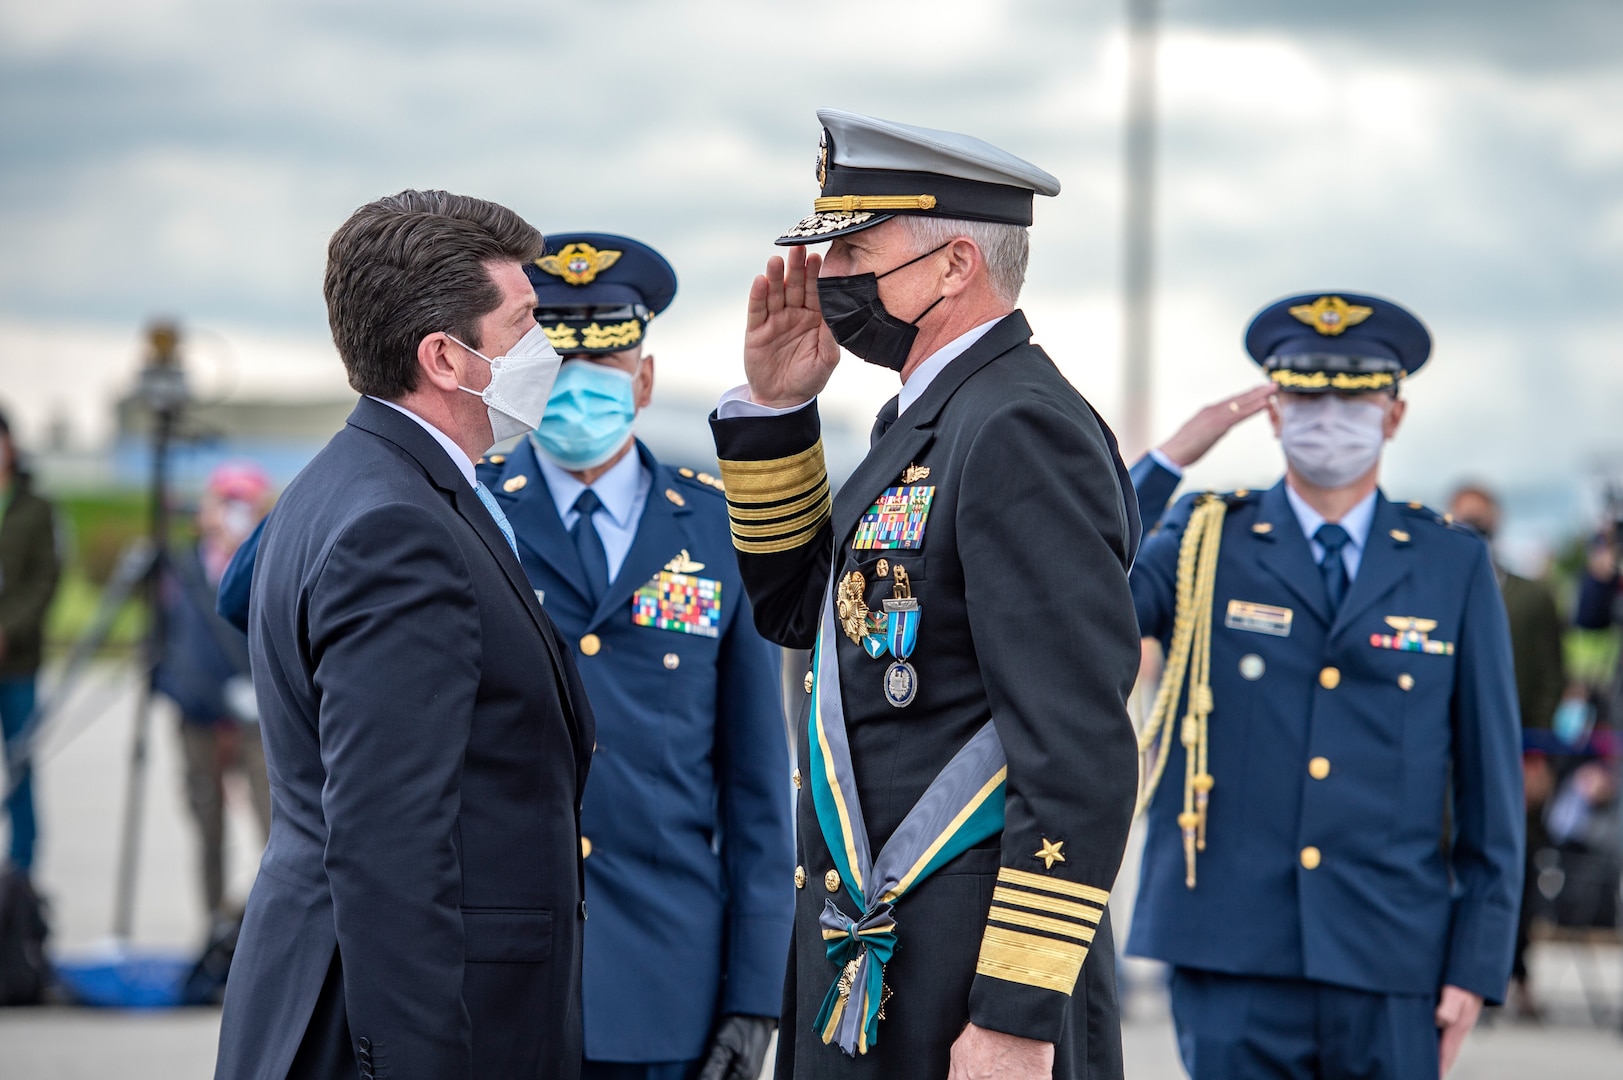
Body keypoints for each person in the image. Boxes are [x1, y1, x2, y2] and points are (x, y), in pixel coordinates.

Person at [708, 109, 1142, 1080]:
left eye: (857, 248)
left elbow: (1077, 752)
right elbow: (807, 617)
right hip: (874, 953)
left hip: (963, 974)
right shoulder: (931, 420)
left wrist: (1018, 1015)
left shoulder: (1019, 426)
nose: (828, 277)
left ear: (955, 265)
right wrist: (781, 412)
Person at [214, 190, 594, 1080]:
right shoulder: (399, 526)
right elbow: (391, 843)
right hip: (410, 1022)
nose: (547, 350)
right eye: (525, 323)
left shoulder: (354, 481)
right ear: (445, 358)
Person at [1126, 293, 1524, 1079]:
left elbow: (1490, 787)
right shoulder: (1204, 538)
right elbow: (1077, 590)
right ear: (1272, 413)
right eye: (1305, 395)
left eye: (1355, 398)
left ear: (1394, 414)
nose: (1327, 416)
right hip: (1230, 956)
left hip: (1390, 961)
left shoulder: (1451, 564)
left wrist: (1475, 964)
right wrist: (1164, 464)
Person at [478, 232, 793, 1080]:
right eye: (557, 369)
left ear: (644, 381)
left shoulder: (721, 533)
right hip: (506, 984)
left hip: (671, 988)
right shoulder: (468, 515)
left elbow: (758, 795)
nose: (580, 394)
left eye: (607, 369)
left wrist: (757, 994)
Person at [1446, 483, 1565, 1015]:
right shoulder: (1433, 586)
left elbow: (1550, 677)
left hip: (1514, 753)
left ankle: (1511, 972)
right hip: (1443, 757)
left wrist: (1538, 755)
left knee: (1512, 863)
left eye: (1483, 520)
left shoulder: (1532, 595)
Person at [155, 462, 275, 925]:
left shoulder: (266, 559)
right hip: (197, 716)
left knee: (273, 824)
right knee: (206, 827)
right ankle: (213, 926)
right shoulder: (180, 568)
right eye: (223, 501)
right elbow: (161, 639)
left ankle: (263, 930)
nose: (231, 513)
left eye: (243, 503)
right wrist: (177, 691)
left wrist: (238, 558)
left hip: (256, 719)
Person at [0, 405, 61, 878]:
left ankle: (21, 871)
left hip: (17, 659)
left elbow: (45, 578)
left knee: (20, 763)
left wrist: (7, 631)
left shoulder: (36, 508)